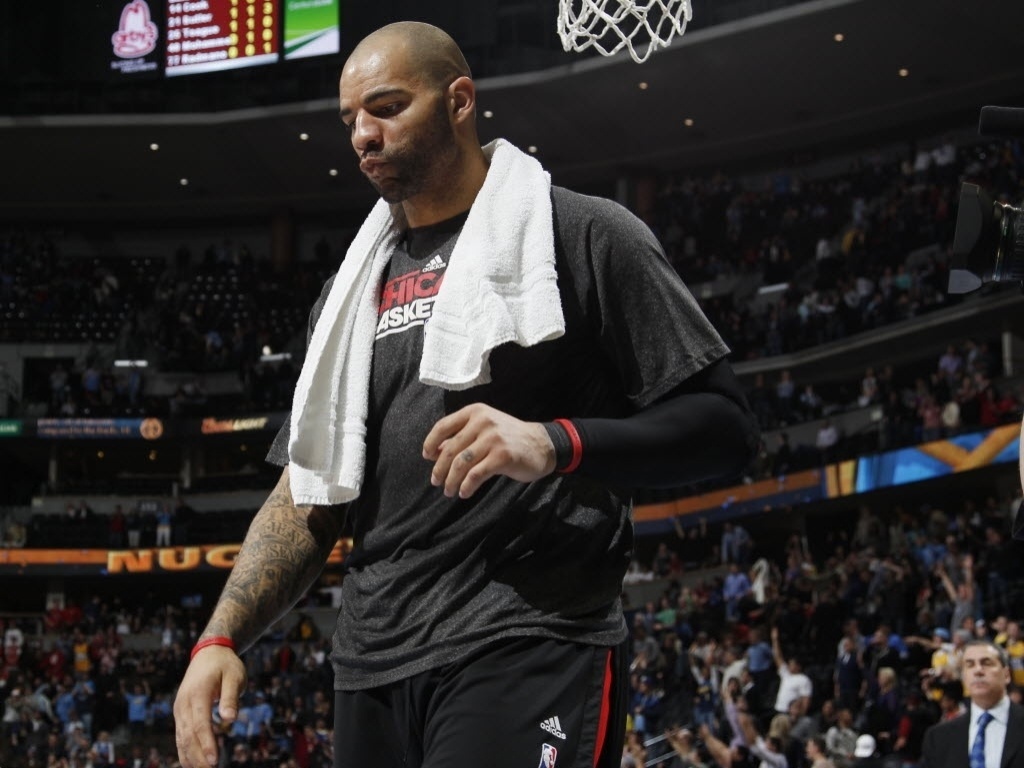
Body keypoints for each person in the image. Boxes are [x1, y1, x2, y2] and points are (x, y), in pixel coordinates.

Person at [173, 20, 758, 768]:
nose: (362, 135)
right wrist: (221, 635)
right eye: (350, 119)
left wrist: (555, 443)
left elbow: (726, 427)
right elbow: (310, 492)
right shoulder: (348, 294)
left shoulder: (584, 235)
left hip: (528, 640)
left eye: (386, 107)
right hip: (373, 668)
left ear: (459, 100)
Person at [919, 640, 1024, 768]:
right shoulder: (938, 737)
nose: (978, 670)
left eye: (987, 663)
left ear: (1006, 675)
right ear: (964, 676)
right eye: (970, 665)